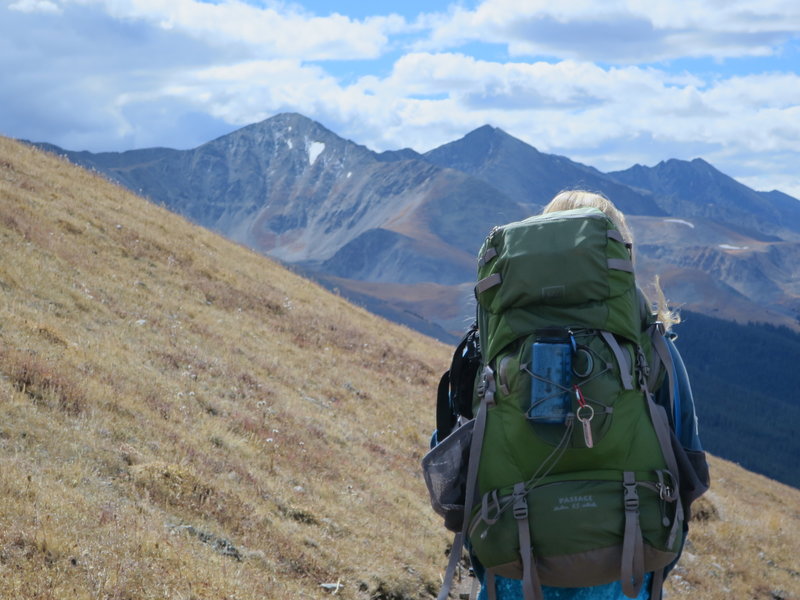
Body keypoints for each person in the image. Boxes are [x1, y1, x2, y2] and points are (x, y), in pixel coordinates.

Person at [442, 190, 707, 600]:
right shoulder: (653, 348)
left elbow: (452, 466)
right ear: (617, 258)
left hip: (513, 562)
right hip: (626, 565)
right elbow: (688, 462)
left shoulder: (487, 349)